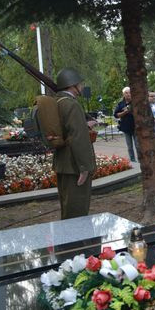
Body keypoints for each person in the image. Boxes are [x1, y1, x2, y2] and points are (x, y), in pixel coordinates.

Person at [53, 68, 96, 219]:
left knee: (67, 207)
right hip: (75, 166)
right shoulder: (71, 104)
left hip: (63, 163)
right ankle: (74, 242)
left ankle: (67, 241)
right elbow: (78, 138)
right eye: (80, 83)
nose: (82, 87)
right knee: (77, 211)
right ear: (73, 85)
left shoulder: (57, 101)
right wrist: (84, 168)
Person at [114, 86, 138, 162]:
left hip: (136, 127)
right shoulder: (121, 104)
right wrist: (124, 112)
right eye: (126, 93)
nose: (128, 94)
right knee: (130, 147)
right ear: (123, 94)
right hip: (126, 128)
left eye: (129, 92)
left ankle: (141, 160)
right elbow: (116, 115)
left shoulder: (136, 102)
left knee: (138, 146)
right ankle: (133, 160)